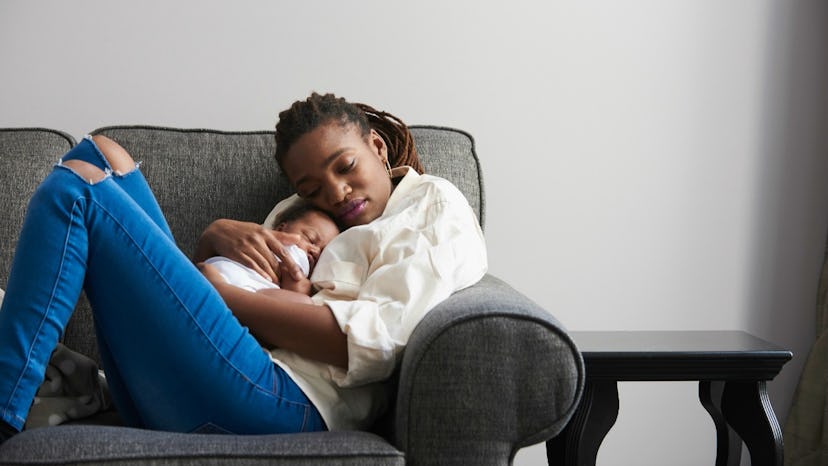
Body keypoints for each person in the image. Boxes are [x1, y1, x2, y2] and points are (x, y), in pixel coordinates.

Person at [0, 92, 487, 442]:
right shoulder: (303, 213)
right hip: (229, 377)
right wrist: (213, 236)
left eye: (345, 167)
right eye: (311, 188)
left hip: (286, 401)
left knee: (76, 191)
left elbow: (367, 343)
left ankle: (4, 405)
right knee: (101, 153)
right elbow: (219, 310)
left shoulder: (429, 205)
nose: (335, 193)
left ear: (377, 148)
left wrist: (226, 294)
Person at [203, 203, 339, 300]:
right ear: (280, 229)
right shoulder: (286, 248)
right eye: (310, 238)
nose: (315, 251)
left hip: (234, 294)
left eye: (322, 252)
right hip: (225, 278)